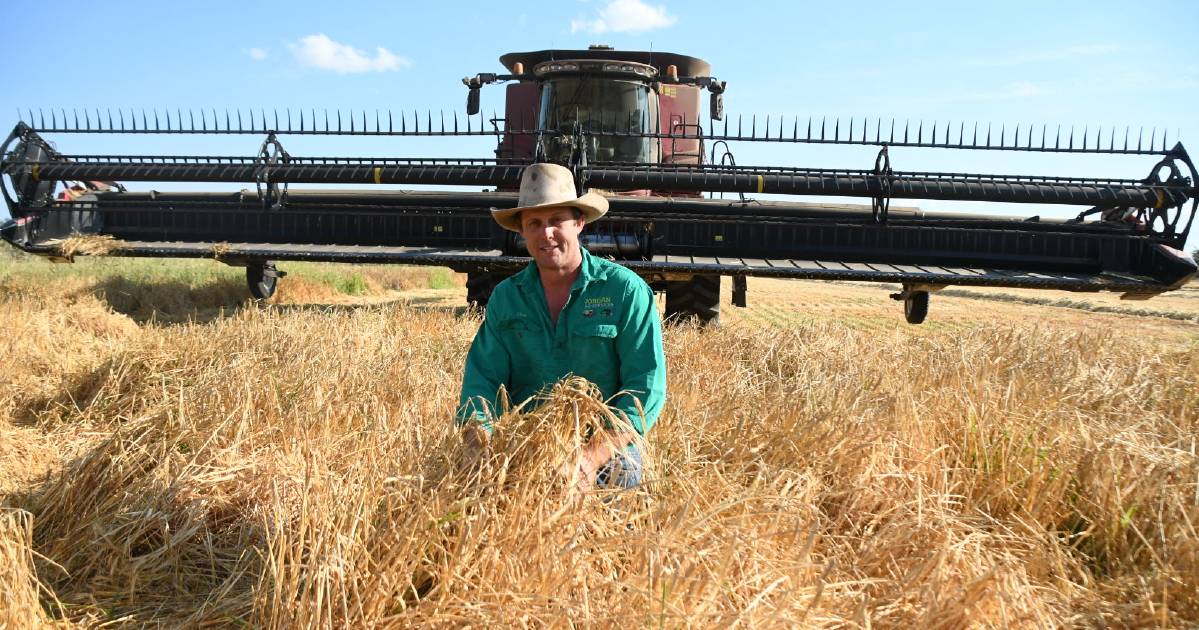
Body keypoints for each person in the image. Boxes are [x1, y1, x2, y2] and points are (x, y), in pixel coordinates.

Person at [457, 162, 666, 490]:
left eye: (557, 221)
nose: (546, 233)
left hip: (604, 442)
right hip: (527, 439)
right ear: (522, 231)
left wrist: (589, 458)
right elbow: (482, 382)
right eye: (535, 223)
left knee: (621, 472)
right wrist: (478, 443)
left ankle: (610, 542)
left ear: (580, 222)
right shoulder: (506, 299)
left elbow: (645, 387)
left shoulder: (625, 291)